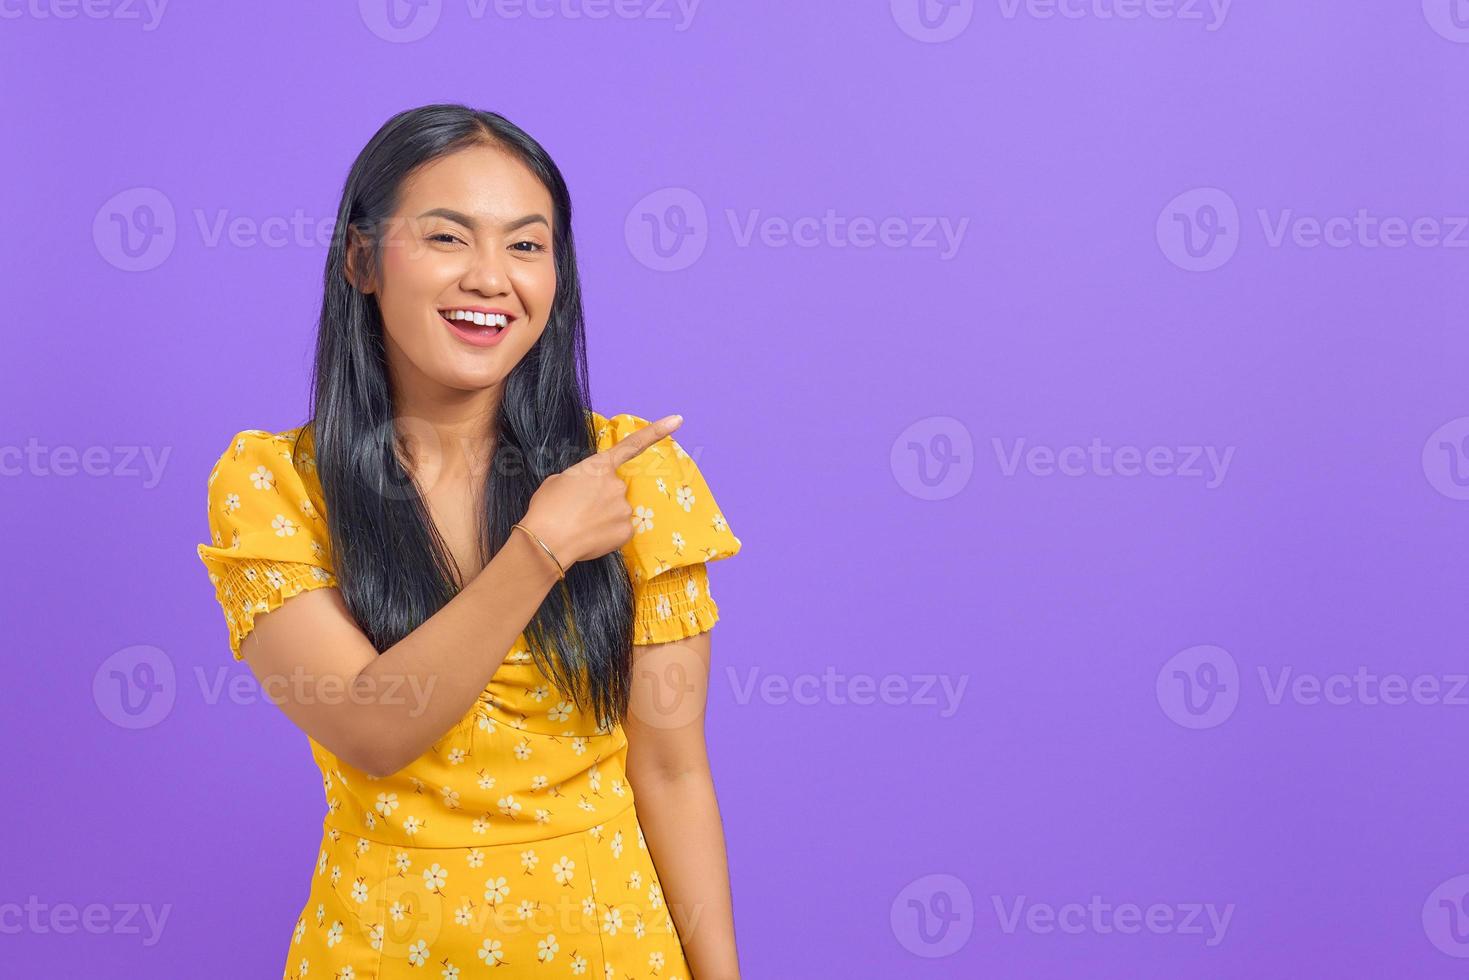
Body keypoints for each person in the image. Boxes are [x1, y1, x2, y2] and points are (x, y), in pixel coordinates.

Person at [195, 104, 744, 979]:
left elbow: (673, 774)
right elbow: (372, 729)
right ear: (361, 259)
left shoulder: (633, 475)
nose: (492, 278)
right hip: (376, 955)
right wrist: (539, 550)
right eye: (449, 238)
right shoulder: (275, 485)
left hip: (612, 955)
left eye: (527, 246)